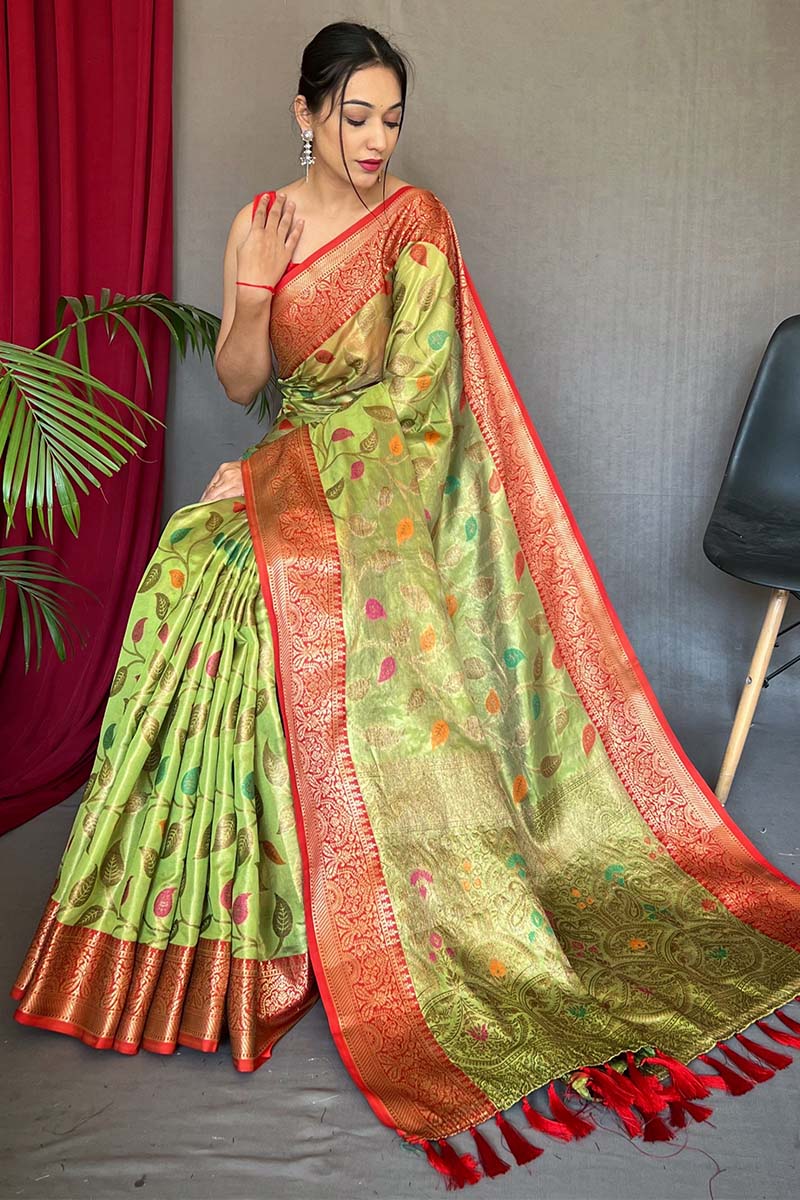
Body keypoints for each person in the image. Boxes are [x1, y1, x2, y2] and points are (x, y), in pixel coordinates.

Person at [10, 19, 800, 1190]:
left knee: (285, 577)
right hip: (292, 466)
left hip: (381, 486)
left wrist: (282, 484)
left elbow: (423, 411)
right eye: (353, 116)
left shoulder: (415, 225)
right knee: (190, 574)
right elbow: (243, 382)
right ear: (304, 115)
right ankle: (214, 938)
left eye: (389, 118)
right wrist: (251, 292)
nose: (374, 140)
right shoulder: (262, 222)